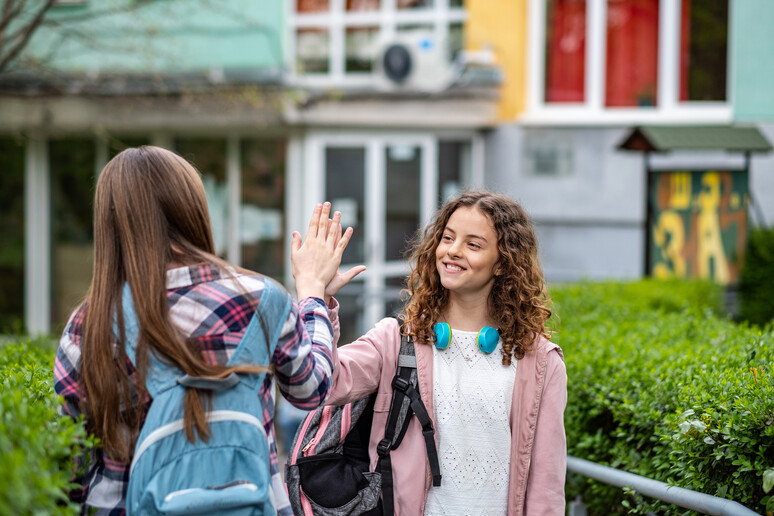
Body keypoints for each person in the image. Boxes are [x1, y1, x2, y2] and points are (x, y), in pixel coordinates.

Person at [53, 146, 362, 516]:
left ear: (110, 225)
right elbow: (311, 389)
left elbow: (71, 463)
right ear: (193, 210)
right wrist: (312, 295)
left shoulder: (89, 325)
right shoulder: (261, 301)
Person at [307, 190, 567, 515]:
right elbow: (321, 382)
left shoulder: (540, 362)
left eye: (473, 244)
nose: (453, 251)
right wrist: (316, 298)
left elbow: (547, 487)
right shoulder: (396, 341)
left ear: (503, 263)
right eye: (447, 238)